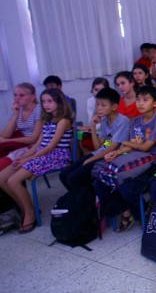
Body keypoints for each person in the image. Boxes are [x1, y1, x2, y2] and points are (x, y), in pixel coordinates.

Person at [94, 86, 156, 232]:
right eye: (138, 99)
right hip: (135, 160)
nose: (140, 103)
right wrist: (118, 152)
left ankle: (142, 215)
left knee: (126, 187)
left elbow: (145, 147)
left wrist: (125, 142)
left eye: (145, 100)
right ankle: (126, 210)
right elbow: (133, 146)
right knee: (100, 182)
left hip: (154, 163)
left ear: (155, 103)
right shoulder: (135, 121)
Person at [0, 88, 72, 234]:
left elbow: (51, 146)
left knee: (13, 181)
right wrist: (24, 157)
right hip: (41, 154)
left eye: (50, 101)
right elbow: (38, 144)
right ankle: (25, 207)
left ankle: (30, 213)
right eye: (43, 101)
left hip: (55, 156)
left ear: (59, 102)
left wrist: (29, 158)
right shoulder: (47, 120)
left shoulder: (63, 121)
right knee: (2, 178)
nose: (46, 104)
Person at [59, 88, 130, 190]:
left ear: (114, 107)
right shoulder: (105, 120)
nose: (99, 108)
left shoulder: (122, 121)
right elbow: (100, 146)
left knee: (73, 178)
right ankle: (80, 197)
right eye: (97, 104)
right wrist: (92, 127)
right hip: (100, 153)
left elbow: (112, 148)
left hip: (111, 157)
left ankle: (87, 197)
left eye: (103, 105)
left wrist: (90, 159)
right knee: (63, 175)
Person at [0, 83, 42, 172]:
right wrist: (15, 115)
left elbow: (34, 139)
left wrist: (7, 141)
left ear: (33, 97)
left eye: (21, 95)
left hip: (34, 145)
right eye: (15, 95)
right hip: (20, 142)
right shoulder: (18, 109)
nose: (17, 98)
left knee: (3, 163)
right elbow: (4, 135)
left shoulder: (39, 110)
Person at [78, 77, 110, 155]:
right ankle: (91, 158)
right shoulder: (90, 101)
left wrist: (90, 127)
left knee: (104, 146)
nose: (99, 93)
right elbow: (91, 121)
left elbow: (109, 124)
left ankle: (98, 157)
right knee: (82, 140)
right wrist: (91, 126)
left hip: (110, 135)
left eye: (102, 90)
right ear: (92, 90)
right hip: (96, 131)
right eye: (96, 90)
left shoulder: (111, 102)